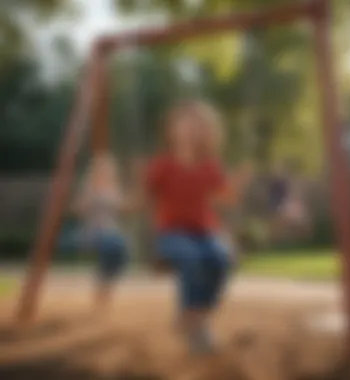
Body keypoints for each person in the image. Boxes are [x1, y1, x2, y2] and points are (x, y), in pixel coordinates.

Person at [143, 100, 251, 354]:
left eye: (199, 125)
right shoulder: (162, 164)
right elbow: (147, 197)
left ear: (208, 133)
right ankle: (191, 320)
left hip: (205, 231)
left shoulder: (210, 165)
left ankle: (199, 317)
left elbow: (226, 199)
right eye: (186, 123)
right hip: (171, 233)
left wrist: (237, 184)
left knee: (221, 258)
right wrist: (151, 236)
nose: (192, 129)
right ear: (172, 130)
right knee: (191, 258)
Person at [60, 153, 130, 312]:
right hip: (92, 231)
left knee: (120, 249)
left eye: (109, 171)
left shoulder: (114, 189)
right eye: (102, 171)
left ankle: (105, 287)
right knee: (110, 246)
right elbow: (78, 210)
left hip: (112, 232)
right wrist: (88, 196)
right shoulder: (89, 188)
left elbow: (121, 209)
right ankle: (102, 290)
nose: (106, 174)